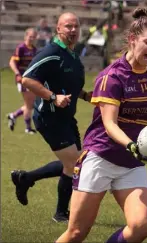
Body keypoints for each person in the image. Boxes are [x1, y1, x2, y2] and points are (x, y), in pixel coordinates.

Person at [56, 7, 147, 243]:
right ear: (133, 40)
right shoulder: (111, 77)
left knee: (141, 226)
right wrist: (133, 145)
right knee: (76, 233)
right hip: (100, 158)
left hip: (131, 163)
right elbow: (109, 124)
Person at [10, 12, 92, 222]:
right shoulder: (52, 52)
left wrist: (85, 96)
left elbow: (70, 84)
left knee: (74, 162)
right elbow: (27, 79)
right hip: (50, 117)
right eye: (68, 26)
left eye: (75, 26)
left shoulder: (72, 55)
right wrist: (53, 97)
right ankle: (60, 213)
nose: (73, 30)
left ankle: (26, 178)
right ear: (58, 29)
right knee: (75, 162)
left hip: (66, 118)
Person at [7, 28, 38, 134]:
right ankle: (28, 128)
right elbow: (12, 62)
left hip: (31, 79)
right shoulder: (21, 48)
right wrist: (17, 74)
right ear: (26, 36)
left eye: (34, 37)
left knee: (31, 104)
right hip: (22, 80)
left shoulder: (34, 50)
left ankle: (13, 115)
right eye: (30, 36)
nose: (32, 38)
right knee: (30, 105)